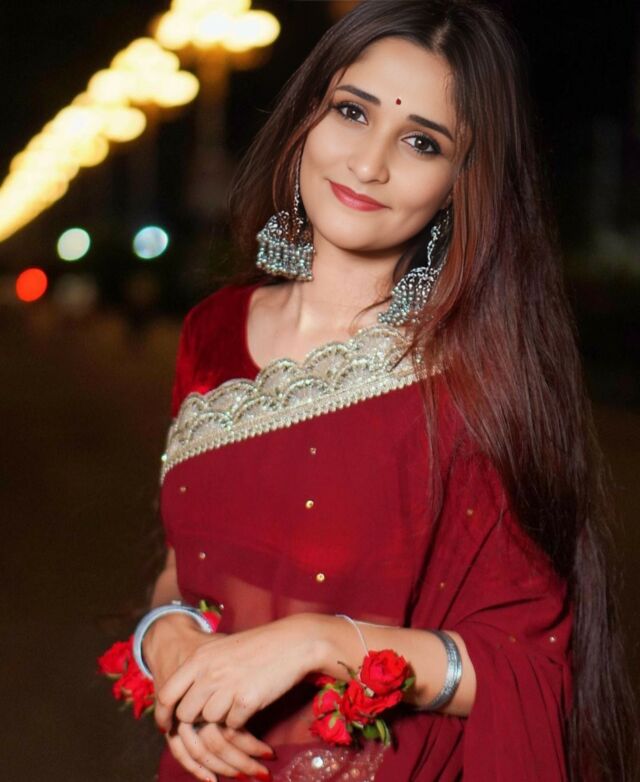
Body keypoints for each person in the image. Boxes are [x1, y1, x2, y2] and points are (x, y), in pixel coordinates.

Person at [136, 1, 637, 780]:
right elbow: (187, 561)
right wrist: (166, 632)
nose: (369, 164)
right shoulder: (212, 330)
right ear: (306, 119)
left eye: (421, 141)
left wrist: (320, 642)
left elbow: (528, 667)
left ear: (460, 184)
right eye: (351, 111)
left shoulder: (471, 379)